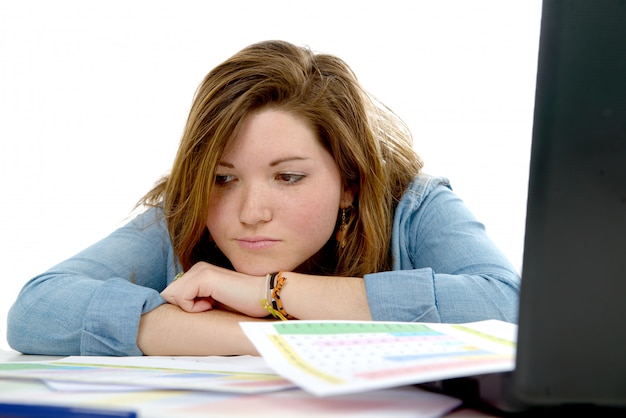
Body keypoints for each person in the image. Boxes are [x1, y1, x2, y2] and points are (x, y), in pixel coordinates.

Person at [7, 40, 520, 356]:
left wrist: (269, 294)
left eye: (289, 177)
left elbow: (511, 307)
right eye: (224, 178)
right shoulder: (185, 214)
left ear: (349, 179)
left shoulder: (415, 207)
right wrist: (256, 335)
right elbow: (38, 310)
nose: (250, 214)